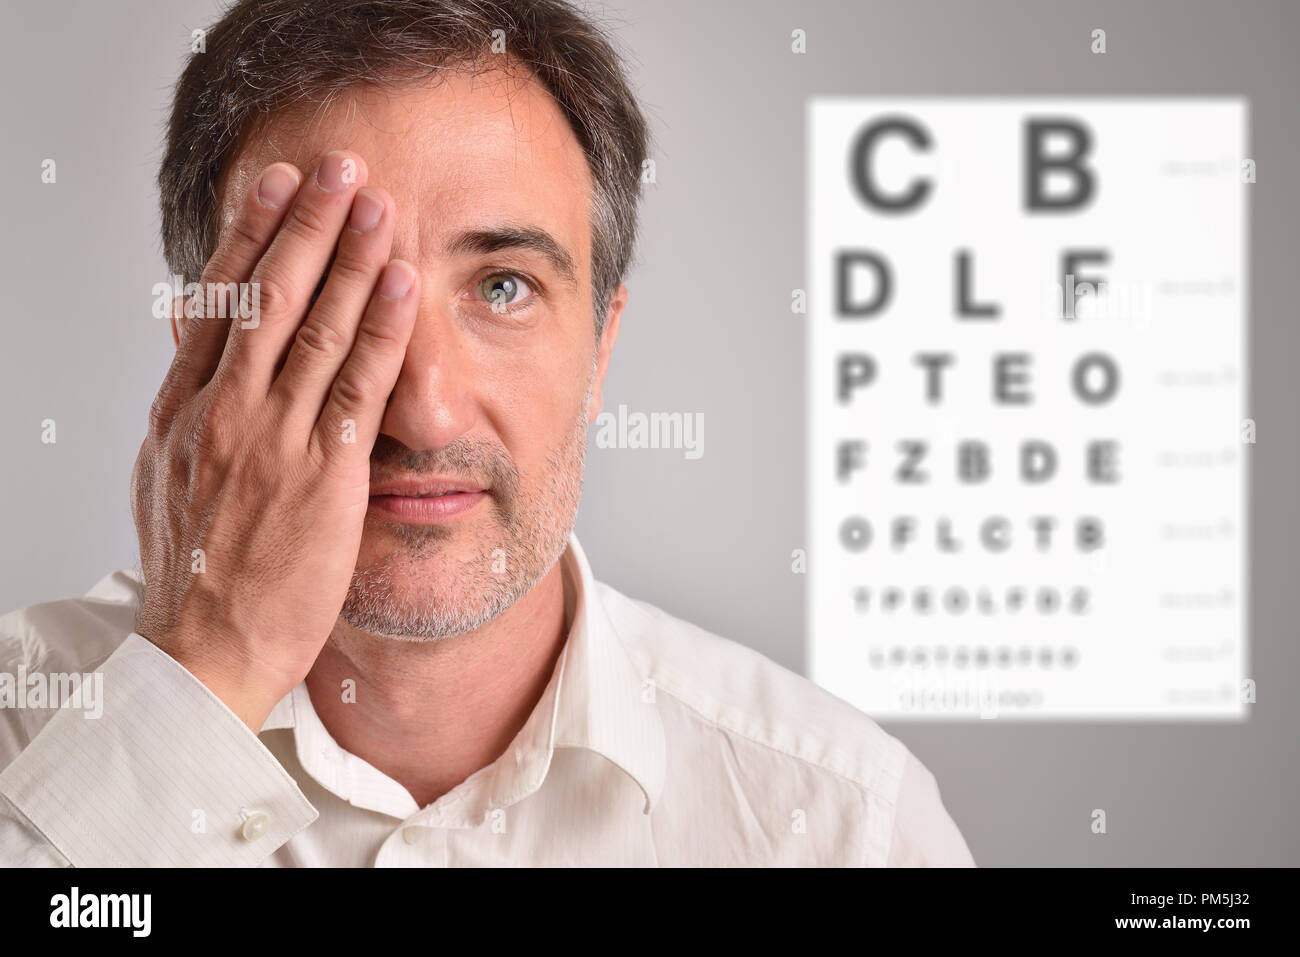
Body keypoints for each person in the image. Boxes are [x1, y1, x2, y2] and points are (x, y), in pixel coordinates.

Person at [0, 0, 974, 866]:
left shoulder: (847, 825)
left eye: (502, 287)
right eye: (327, 296)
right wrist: (202, 679)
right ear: (205, 359)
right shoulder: (22, 729)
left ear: (600, 349)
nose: (424, 410)